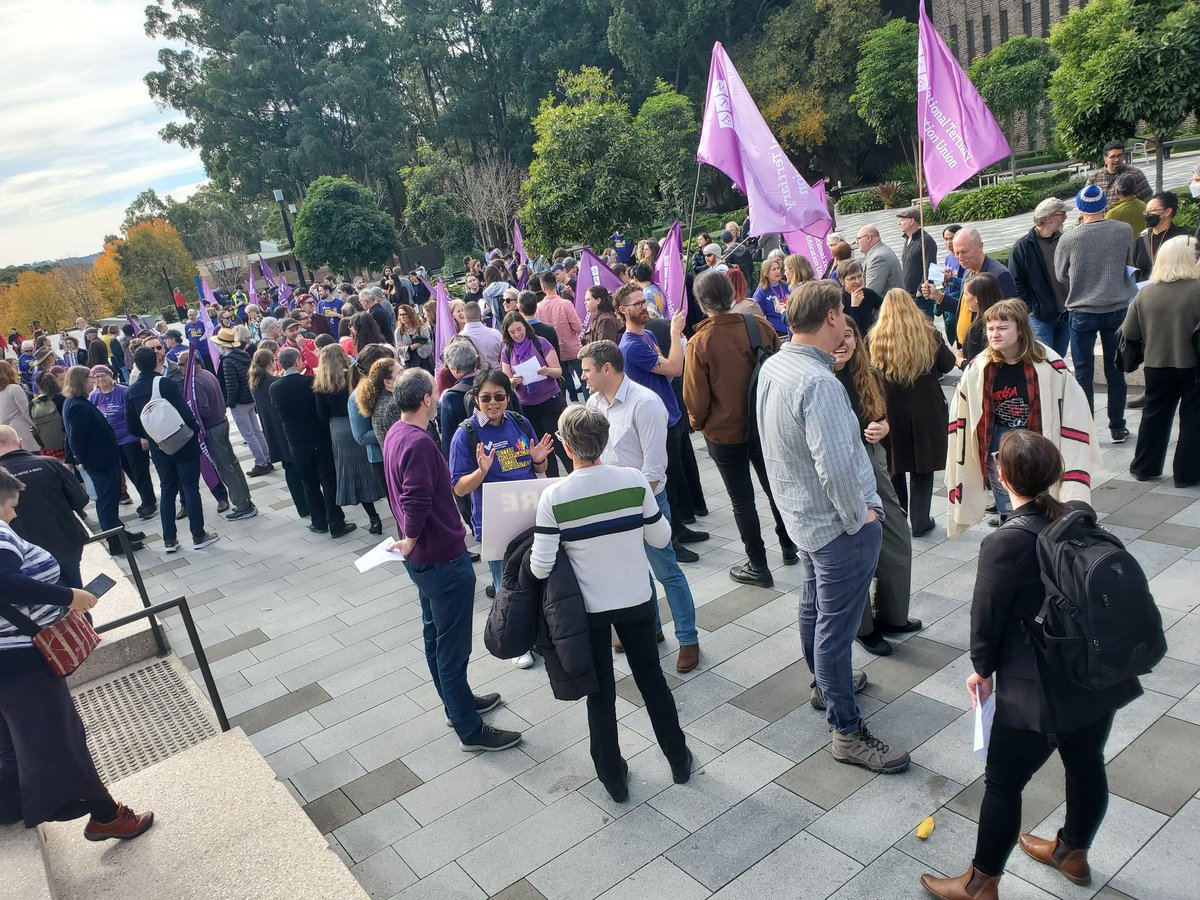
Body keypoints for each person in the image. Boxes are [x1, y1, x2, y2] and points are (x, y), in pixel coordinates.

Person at [919, 430, 1141, 900]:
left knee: (1003, 782)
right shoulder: (1077, 519)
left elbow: (987, 618)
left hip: (1037, 687)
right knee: (1085, 764)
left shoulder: (1007, 542)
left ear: (1002, 476)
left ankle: (980, 885)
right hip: (1095, 672)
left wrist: (982, 669)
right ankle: (1072, 852)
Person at [757, 280, 907, 773]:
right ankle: (846, 731)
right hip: (835, 526)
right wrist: (859, 517)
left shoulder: (778, 364)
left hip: (803, 517)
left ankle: (826, 686)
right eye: (842, 313)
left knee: (815, 607)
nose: (847, 322)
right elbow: (838, 467)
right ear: (830, 318)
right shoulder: (817, 383)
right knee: (835, 629)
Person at [529, 404, 691, 800]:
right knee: (652, 680)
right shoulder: (633, 481)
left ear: (567, 447)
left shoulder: (554, 497)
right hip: (637, 598)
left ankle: (613, 777)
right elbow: (660, 538)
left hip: (589, 609)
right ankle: (678, 758)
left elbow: (539, 567)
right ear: (604, 440)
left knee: (600, 692)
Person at [0, 467, 155, 840]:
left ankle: (8, 804)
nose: (14, 513)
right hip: (19, 659)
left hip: (8, 660)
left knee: (12, 739)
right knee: (59, 738)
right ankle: (106, 815)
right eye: (11, 503)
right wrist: (69, 596)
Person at [383, 368, 521, 751]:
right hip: (441, 557)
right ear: (427, 398)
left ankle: (456, 704)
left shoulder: (397, 432)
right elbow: (415, 498)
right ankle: (469, 728)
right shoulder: (420, 442)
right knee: (452, 648)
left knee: (435, 635)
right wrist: (410, 538)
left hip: (426, 560)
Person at [581, 340, 701, 673]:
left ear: (607, 369)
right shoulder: (594, 402)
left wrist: (631, 504)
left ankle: (688, 638)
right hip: (614, 502)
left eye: (587, 369)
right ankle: (651, 628)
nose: (582, 376)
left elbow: (654, 469)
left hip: (647, 501)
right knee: (634, 570)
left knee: (666, 571)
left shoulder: (645, 403)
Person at [683, 269, 798, 587]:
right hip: (764, 423)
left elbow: (695, 398)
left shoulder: (700, 342)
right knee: (774, 487)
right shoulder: (759, 326)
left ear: (701, 302)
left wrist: (699, 424)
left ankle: (758, 565)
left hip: (724, 432)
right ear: (732, 296)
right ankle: (789, 546)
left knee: (741, 499)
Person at [946, 300, 1100, 535]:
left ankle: (1046, 541)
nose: (994, 334)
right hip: (999, 446)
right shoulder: (980, 367)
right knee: (1008, 506)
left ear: (1020, 328)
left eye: (1002, 328)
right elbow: (964, 413)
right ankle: (1015, 538)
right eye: (990, 328)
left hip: (1038, 443)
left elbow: (1072, 410)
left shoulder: (1049, 364)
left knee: (1045, 499)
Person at [449, 368, 553, 667]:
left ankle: (540, 635)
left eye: (499, 396)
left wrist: (538, 459)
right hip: (495, 521)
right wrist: (481, 472)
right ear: (475, 398)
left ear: (508, 397)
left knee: (539, 578)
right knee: (506, 585)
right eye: (486, 398)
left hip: (531, 514)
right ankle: (514, 642)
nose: (493, 403)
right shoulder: (466, 434)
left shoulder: (519, 422)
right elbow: (457, 486)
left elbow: (540, 469)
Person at [832, 320, 916, 657]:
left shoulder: (866, 373)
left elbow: (884, 415)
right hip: (840, 470)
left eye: (848, 335)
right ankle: (863, 629)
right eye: (836, 336)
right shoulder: (819, 379)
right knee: (856, 548)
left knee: (897, 535)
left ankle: (894, 616)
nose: (842, 342)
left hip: (873, 463)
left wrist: (883, 425)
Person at [613, 282, 708, 564]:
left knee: (676, 478)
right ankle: (670, 540)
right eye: (637, 303)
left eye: (643, 301)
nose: (644, 306)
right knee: (664, 484)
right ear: (622, 310)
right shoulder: (630, 346)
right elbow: (674, 368)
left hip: (669, 413)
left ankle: (678, 527)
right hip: (656, 422)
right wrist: (675, 333)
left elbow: (666, 370)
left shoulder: (647, 336)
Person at [869, 289, 955, 538]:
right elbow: (948, 364)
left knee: (895, 465)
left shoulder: (874, 339)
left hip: (891, 412)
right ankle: (920, 520)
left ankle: (899, 517)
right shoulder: (928, 334)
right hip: (926, 408)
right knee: (923, 466)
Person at [1055, 183, 1137, 444]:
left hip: (1081, 309)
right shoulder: (1123, 231)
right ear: (1105, 206)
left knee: (1083, 374)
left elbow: (1060, 274)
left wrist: (1081, 283)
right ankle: (1117, 427)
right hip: (1116, 308)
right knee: (1116, 372)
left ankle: (1087, 429)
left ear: (1080, 208)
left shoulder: (1069, 237)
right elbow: (1129, 262)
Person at [1121, 235, 1200, 487]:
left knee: (1154, 415)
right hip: (1192, 365)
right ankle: (1186, 474)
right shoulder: (1197, 290)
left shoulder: (1146, 293)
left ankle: (1144, 467)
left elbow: (1130, 332)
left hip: (1156, 365)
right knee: (1192, 419)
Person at [124, 348, 218, 552]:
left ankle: (169, 539)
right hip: (182, 441)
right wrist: (193, 429)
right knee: (190, 488)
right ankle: (199, 535)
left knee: (167, 490)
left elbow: (131, 426)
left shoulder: (130, 391)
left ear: (136, 365)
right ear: (158, 362)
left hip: (159, 447)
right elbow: (184, 411)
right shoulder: (165, 383)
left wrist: (152, 436)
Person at [270, 347, 356, 539]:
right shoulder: (310, 382)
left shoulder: (275, 388)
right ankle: (336, 522)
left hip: (296, 442)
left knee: (309, 483)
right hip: (319, 437)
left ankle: (318, 522)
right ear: (298, 362)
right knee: (328, 480)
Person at [62, 367, 144, 556]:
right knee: (106, 501)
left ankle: (119, 532)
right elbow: (74, 437)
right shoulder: (76, 405)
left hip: (104, 459)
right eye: (91, 378)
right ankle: (115, 541)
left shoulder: (79, 402)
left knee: (111, 499)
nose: (94, 381)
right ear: (81, 381)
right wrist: (80, 461)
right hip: (99, 462)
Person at [0, 426, 90, 588]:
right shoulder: (49, 463)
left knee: (57, 601)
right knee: (75, 590)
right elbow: (80, 499)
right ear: (19, 442)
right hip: (66, 540)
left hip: (25, 553)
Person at [176, 350, 257, 522]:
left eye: (182, 364)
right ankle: (245, 500)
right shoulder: (207, 374)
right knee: (232, 464)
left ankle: (242, 505)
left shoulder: (196, 381)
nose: (179, 367)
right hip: (222, 423)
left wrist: (191, 417)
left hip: (212, 428)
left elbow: (203, 410)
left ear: (193, 362)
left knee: (225, 467)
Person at [313, 344, 385, 535]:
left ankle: (373, 518)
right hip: (359, 421)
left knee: (354, 475)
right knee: (369, 466)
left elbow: (321, 415)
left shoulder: (320, 384)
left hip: (338, 429)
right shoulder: (351, 377)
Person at [500, 313, 570, 477]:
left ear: (525, 326)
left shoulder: (540, 343)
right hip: (527, 406)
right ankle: (553, 483)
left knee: (559, 444)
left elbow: (558, 371)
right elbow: (506, 381)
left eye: (519, 329)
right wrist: (513, 380)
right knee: (543, 449)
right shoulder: (507, 351)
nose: (517, 335)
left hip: (550, 401)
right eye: (512, 332)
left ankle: (574, 476)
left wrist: (547, 371)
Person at [924, 228, 1018, 347]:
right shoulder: (968, 270)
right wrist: (937, 296)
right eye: (957, 253)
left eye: (964, 252)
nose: (960, 257)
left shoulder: (998, 275)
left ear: (980, 246)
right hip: (967, 349)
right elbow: (964, 308)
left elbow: (1007, 319)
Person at [89, 365, 156, 521]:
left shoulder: (123, 391)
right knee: (129, 472)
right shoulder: (94, 396)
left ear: (110, 375)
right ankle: (146, 498)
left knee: (140, 471)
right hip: (112, 442)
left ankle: (149, 502)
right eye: (96, 377)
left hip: (130, 437)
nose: (100, 379)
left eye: (102, 375)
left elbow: (136, 414)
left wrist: (143, 436)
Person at [249, 348, 307, 520]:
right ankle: (307, 504)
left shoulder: (255, 383)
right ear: (270, 363)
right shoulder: (274, 383)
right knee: (298, 468)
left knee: (288, 468)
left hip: (272, 431)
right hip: (284, 429)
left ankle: (301, 507)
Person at [1009, 198, 1071, 357]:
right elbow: (1016, 282)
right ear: (1049, 217)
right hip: (1040, 317)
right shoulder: (1023, 247)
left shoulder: (1063, 239)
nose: (1065, 217)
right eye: (1062, 214)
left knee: (1059, 358)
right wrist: (1031, 309)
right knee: (1043, 359)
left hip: (1066, 313)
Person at [213, 327, 273, 477]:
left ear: (223, 345)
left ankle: (261, 463)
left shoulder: (227, 361)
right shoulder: (244, 355)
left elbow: (231, 384)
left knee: (249, 434)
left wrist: (230, 403)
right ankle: (267, 459)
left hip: (239, 401)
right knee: (257, 431)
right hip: (250, 397)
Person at [347, 345, 396, 506]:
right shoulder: (357, 397)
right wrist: (394, 430)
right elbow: (360, 436)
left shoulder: (391, 385)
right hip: (381, 459)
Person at [537, 272, 584, 401]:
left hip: (554, 352)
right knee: (583, 378)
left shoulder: (538, 308)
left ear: (543, 287)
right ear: (556, 283)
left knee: (565, 379)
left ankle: (574, 401)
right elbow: (578, 327)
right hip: (573, 348)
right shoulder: (565, 304)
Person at [438, 339, 483, 459]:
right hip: (507, 451)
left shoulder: (451, 398)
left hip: (472, 458)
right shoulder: (498, 382)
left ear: (454, 369)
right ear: (476, 359)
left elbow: (448, 441)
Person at [1132, 191, 1191, 279]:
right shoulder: (1141, 240)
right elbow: (1135, 271)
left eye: (1153, 210)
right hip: (1145, 290)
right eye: (1146, 211)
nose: (1148, 214)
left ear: (1167, 212)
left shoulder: (1183, 238)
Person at [954, 273, 1006, 370]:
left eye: (966, 294)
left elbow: (976, 368)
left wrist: (960, 361)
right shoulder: (1006, 320)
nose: (964, 299)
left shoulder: (978, 329)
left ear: (977, 298)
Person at [897, 207, 939, 315]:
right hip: (908, 296)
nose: (899, 223)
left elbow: (932, 268)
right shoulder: (907, 240)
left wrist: (920, 291)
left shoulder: (926, 241)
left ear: (911, 221)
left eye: (902, 220)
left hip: (921, 298)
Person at [1086, 139, 1152, 205]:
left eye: (1120, 155)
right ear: (1105, 159)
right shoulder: (1094, 179)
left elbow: (1147, 202)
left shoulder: (1135, 175)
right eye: (1112, 157)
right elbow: (1085, 203)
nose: (1117, 159)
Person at [837, 260, 884, 335]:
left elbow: (886, 307)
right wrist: (854, 307)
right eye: (852, 278)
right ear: (842, 281)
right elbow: (849, 329)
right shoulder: (838, 300)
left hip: (870, 338)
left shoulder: (868, 293)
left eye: (859, 276)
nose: (858, 281)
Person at [855, 224, 903, 297]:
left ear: (868, 238)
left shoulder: (878, 258)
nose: (856, 242)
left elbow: (871, 293)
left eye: (858, 238)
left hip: (888, 307)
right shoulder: (879, 252)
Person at [0, 362, 37, 451]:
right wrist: (37, 426)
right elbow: (26, 411)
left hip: (7, 433)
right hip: (23, 431)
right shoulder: (14, 389)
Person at [31, 373, 68, 460]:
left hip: (47, 448)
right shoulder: (64, 400)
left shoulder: (33, 404)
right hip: (66, 445)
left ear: (38, 386)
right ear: (54, 382)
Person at [1104, 172, 1147, 249]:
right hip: (1142, 249)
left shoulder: (1113, 214)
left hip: (1125, 255)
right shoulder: (1143, 205)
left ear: (1117, 191)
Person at [752, 255, 790, 335]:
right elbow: (760, 317)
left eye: (778, 268)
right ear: (766, 273)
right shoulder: (760, 293)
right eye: (773, 269)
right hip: (776, 331)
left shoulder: (786, 286)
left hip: (791, 325)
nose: (777, 271)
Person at [460, 301, 502, 369]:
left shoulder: (459, 339)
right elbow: (505, 357)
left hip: (472, 378)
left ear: (464, 316)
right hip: (496, 375)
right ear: (481, 316)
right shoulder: (496, 334)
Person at [395, 304, 433, 372]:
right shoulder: (398, 331)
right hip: (408, 364)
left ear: (410, 314)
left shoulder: (421, 328)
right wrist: (415, 345)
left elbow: (429, 346)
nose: (402, 317)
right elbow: (399, 350)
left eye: (404, 314)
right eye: (400, 314)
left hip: (424, 363)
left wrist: (406, 347)